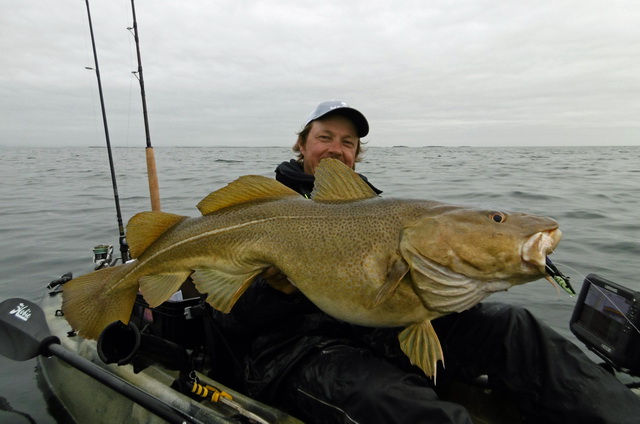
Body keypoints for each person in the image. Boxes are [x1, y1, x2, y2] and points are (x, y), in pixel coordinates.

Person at [209, 100, 640, 423]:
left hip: (381, 332)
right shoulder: (260, 209)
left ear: (358, 153)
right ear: (302, 143)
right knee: (399, 404)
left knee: (514, 328)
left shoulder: (380, 210)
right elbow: (227, 320)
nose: (337, 149)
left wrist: (470, 279)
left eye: (349, 142)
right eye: (325, 137)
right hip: (292, 351)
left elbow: (426, 284)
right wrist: (277, 290)